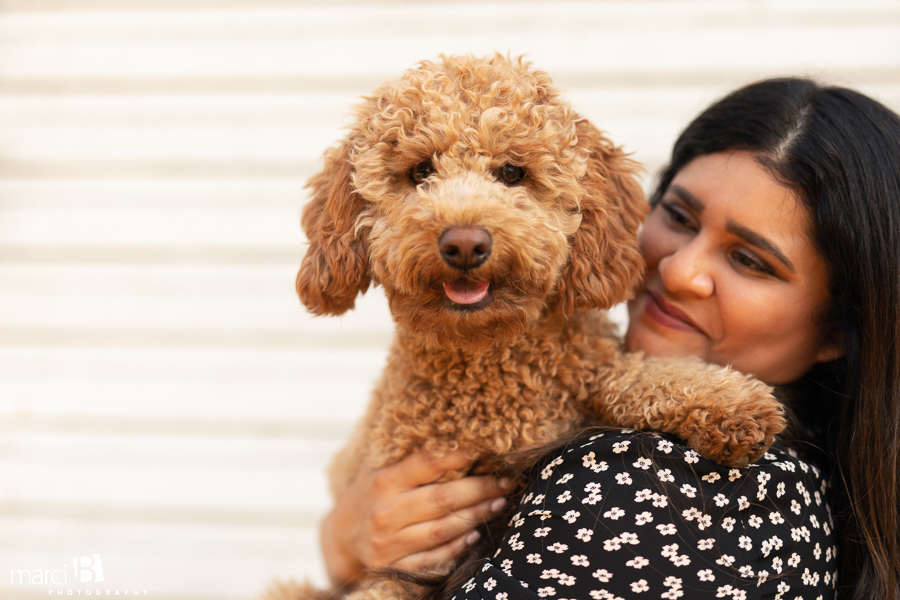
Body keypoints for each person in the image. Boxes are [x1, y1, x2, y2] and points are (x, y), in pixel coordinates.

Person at [319, 78, 900, 599]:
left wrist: (353, 556)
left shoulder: (679, 492)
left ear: (836, 329)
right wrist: (345, 543)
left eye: (749, 260)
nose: (678, 271)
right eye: (678, 216)